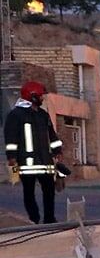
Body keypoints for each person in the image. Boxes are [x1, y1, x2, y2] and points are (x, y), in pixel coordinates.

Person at [4, 81, 62, 224]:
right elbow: (10, 137)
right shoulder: (16, 115)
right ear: (32, 96)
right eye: (40, 96)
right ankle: (34, 219)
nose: (42, 98)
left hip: (45, 161)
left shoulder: (43, 115)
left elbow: (51, 134)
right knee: (29, 192)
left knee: (49, 190)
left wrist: (57, 150)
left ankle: (49, 219)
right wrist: (12, 158)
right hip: (26, 162)